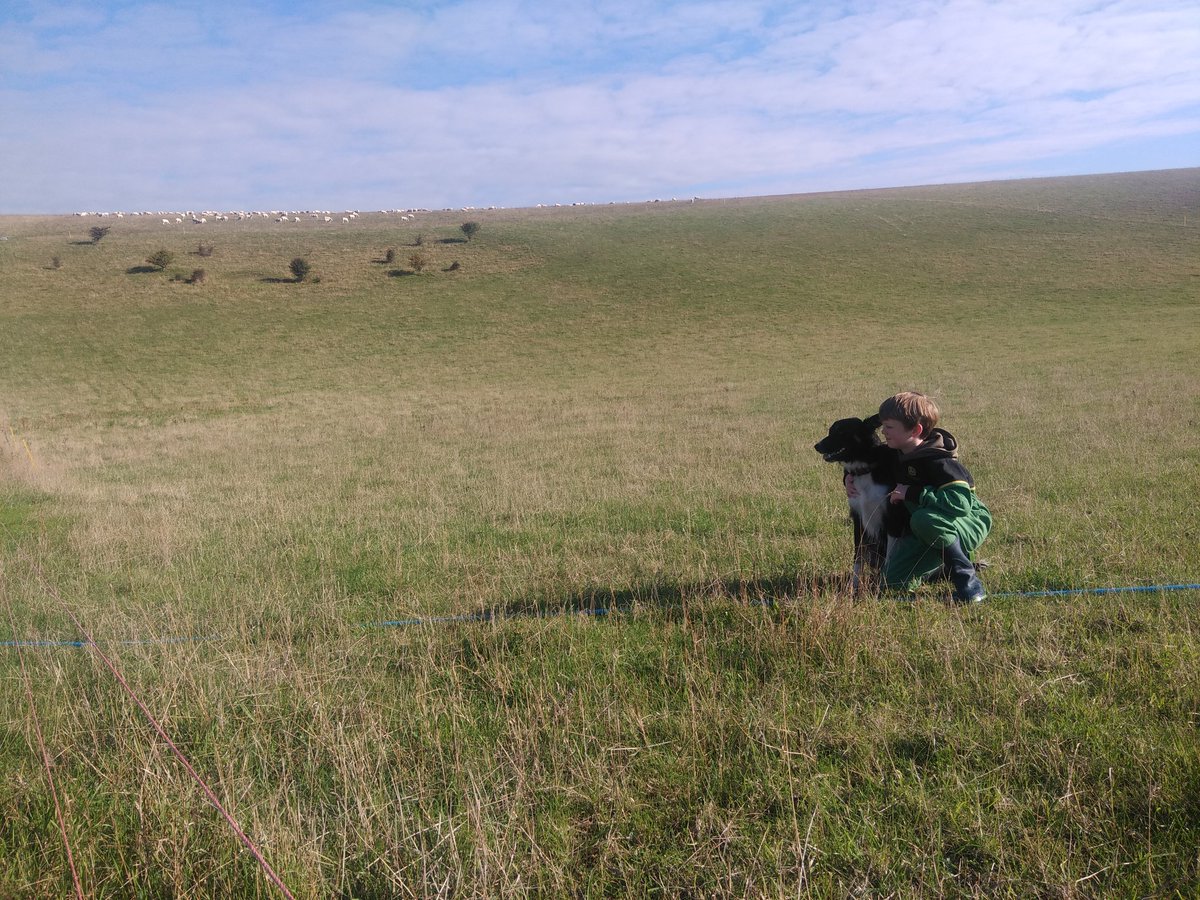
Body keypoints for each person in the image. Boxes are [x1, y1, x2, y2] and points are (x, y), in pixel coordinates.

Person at [877, 391, 991, 602]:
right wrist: (848, 479)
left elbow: (960, 505)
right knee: (892, 583)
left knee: (923, 519)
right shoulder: (898, 451)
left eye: (889, 427)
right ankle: (941, 567)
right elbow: (862, 458)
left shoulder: (941, 463)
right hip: (927, 529)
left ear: (915, 429)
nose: (883, 431)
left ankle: (968, 584)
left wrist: (911, 493)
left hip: (966, 521)